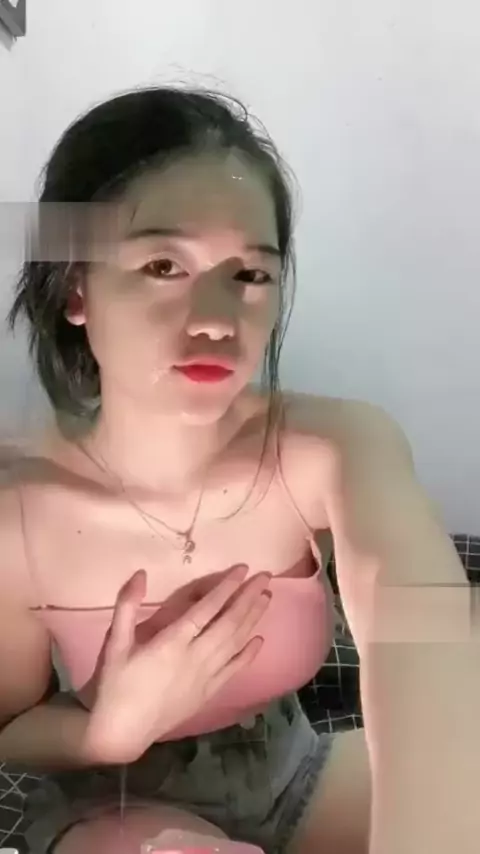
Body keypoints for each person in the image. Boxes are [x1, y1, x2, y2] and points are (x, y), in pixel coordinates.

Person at [0, 86, 476, 854]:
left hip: (295, 771)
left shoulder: (335, 444)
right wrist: (104, 732)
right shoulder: (18, 510)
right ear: (76, 288)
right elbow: (8, 729)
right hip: (118, 804)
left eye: (250, 275)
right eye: (164, 265)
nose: (219, 320)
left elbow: (421, 623)